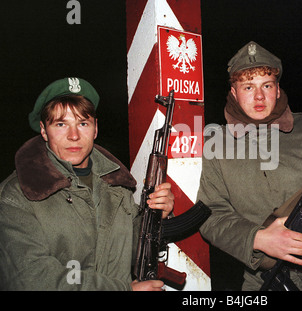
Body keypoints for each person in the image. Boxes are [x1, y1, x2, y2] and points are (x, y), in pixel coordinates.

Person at [197, 41, 302, 290]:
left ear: (277, 89)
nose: (259, 96)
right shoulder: (216, 143)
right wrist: (257, 238)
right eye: (248, 86)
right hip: (267, 281)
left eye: (266, 85)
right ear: (234, 93)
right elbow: (211, 215)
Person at [0, 77, 174, 291]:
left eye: (82, 123)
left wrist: (155, 214)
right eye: (61, 124)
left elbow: (130, 251)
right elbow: (31, 277)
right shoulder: (18, 195)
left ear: (95, 128)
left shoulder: (116, 185)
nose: (74, 136)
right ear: (44, 131)